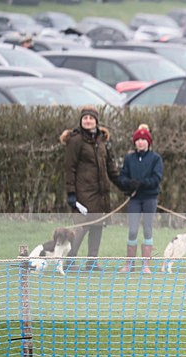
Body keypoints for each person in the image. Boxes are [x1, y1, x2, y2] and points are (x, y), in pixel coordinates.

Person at [59, 105, 121, 271]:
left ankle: (92, 261)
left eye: (91, 118)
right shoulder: (76, 140)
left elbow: (110, 167)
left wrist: (124, 185)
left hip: (100, 193)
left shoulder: (101, 140)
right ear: (81, 121)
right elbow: (69, 168)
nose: (88, 121)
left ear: (96, 121)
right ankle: (70, 261)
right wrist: (71, 193)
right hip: (82, 193)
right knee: (81, 227)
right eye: (85, 118)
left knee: (97, 226)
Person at [117, 124, 163, 274]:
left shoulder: (156, 158)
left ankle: (146, 265)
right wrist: (128, 183)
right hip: (134, 199)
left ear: (148, 142)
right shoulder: (129, 158)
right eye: (138, 140)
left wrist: (142, 183)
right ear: (135, 142)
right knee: (132, 231)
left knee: (148, 230)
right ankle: (129, 264)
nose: (141, 142)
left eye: (144, 139)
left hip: (149, 198)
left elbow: (157, 178)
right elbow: (122, 176)